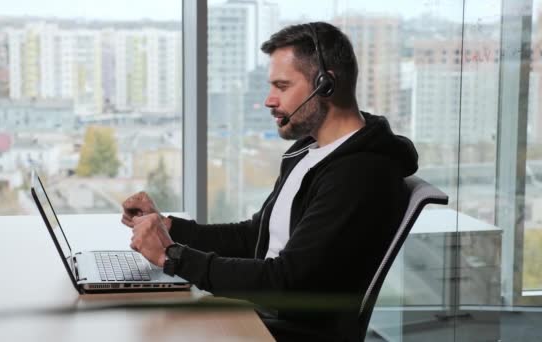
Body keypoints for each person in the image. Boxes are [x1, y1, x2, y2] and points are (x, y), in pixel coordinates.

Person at [121, 21, 418, 341]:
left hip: (283, 331)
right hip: (261, 317)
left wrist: (173, 257)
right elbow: (254, 237)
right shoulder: (311, 151)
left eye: (282, 86)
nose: (269, 100)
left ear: (325, 85)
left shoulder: (358, 174)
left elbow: (286, 281)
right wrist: (168, 228)